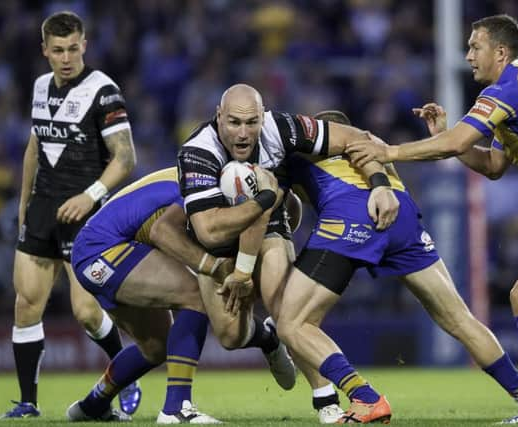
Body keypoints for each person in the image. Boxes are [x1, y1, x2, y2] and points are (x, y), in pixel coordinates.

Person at [345, 14, 518, 424]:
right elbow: (492, 164)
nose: (468, 55)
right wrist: (447, 134)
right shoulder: (517, 88)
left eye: (476, 47)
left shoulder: (506, 88)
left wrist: (390, 152)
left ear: (501, 52)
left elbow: (457, 143)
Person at [273, 109, 518, 424]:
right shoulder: (373, 144)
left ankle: (364, 397)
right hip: (403, 215)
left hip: (353, 213)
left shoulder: (302, 149)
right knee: (460, 319)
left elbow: (280, 201)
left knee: (292, 323)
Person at [169, 83, 398, 423]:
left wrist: (380, 184)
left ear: (263, 118)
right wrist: (264, 199)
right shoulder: (197, 151)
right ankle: (269, 339)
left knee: (289, 311)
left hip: (270, 224)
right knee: (230, 336)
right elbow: (208, 229)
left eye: (251, 122)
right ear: (218, 117)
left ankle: (327, 401)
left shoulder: (282, 128)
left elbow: (357, 137)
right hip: (219, 245)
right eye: (234, 123)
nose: (244, 133)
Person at [0, 11, 140, 419]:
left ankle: (124, 377)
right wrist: (25, 202)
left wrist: (89, 194)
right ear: (44, 51)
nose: (66, 58)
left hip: (88, 213)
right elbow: (35, 147)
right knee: (26, 303)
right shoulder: (41, 87)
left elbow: (126, 157)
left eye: (73, 48)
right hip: (44, 207)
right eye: (58, 50)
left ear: (85, 45)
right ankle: (28, 403)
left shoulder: (103, 90)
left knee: (85, 312)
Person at [66, 167, 237, 423]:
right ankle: (176, 408)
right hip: (105, 249)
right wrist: (215, 268)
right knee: (195, 296)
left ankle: (92, 405)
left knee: (155, 348)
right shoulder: (200, 187)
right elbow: (162, 231)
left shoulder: (191, 173)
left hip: (93, 252)